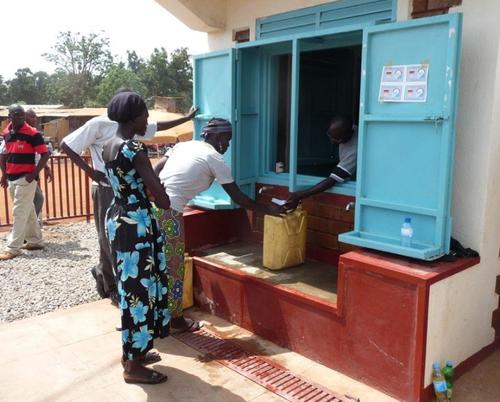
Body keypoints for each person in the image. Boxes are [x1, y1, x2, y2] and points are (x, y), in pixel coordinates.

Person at [61, 89, 197, 305]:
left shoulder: (119, 138)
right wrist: (90, 172)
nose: (148, 121)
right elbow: (66, 145)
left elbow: (157, 127)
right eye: (144, 114)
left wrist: (186, 118)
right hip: (109, 189)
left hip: (122, 197)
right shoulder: (106, 130)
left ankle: (109, 281)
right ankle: (117, 287)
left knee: (113, 242)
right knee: (115, 245)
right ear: (130, 112)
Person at [153, 118, 281, 332]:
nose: (228, 145)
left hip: (150, 208)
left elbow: (156, 170)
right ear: (218, 137)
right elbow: (238, 198)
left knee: (153, 264)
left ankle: (151, 317)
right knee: (173, 267)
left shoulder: (183, 145)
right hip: (169, 213)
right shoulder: (214, 158)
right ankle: (175, 321)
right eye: (227, 140)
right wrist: (269, 210)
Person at [103, 91, 171, 384]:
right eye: (145, 114)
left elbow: (130, 182)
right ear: (133, 117)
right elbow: (163, 200)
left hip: (120, 217)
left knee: (131, 288)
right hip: (138, 224)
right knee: (139, 294)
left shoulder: (109, 145)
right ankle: (133, 367)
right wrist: (161, 190)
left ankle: (135, 353)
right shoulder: (133, 148)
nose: (148, 120)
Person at [0, 105, 49, 260]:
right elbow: (4, 154)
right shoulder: (7, 132)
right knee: (28, 211)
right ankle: (35, 241)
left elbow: (45, 155)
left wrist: (33, 174)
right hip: (12, 177)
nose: (21, 117)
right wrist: (4, 174)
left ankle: (13, 247)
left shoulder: (33, 134)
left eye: (22, 115)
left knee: (19, 211)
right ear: (9, 117)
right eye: (17, 115)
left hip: (26, 179)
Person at [284, 115, 358, 210]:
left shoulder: (355, 150)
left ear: (349, 133)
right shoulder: (349, 128)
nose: (332, 141)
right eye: (330, 136)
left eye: (337, 139)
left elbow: (332, 180)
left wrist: (300, 195)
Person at [25, 109, 53, 221]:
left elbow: (41, 153)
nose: (35, 119)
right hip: (26, 173)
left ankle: (32, 224)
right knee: (37, 199)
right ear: (24, 117)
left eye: (35, 117)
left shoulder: (34, 132)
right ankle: (29, 226)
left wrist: (46, 167)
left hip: (34, 172)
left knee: (33, 199)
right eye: (32, 117)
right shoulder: (21, 133)